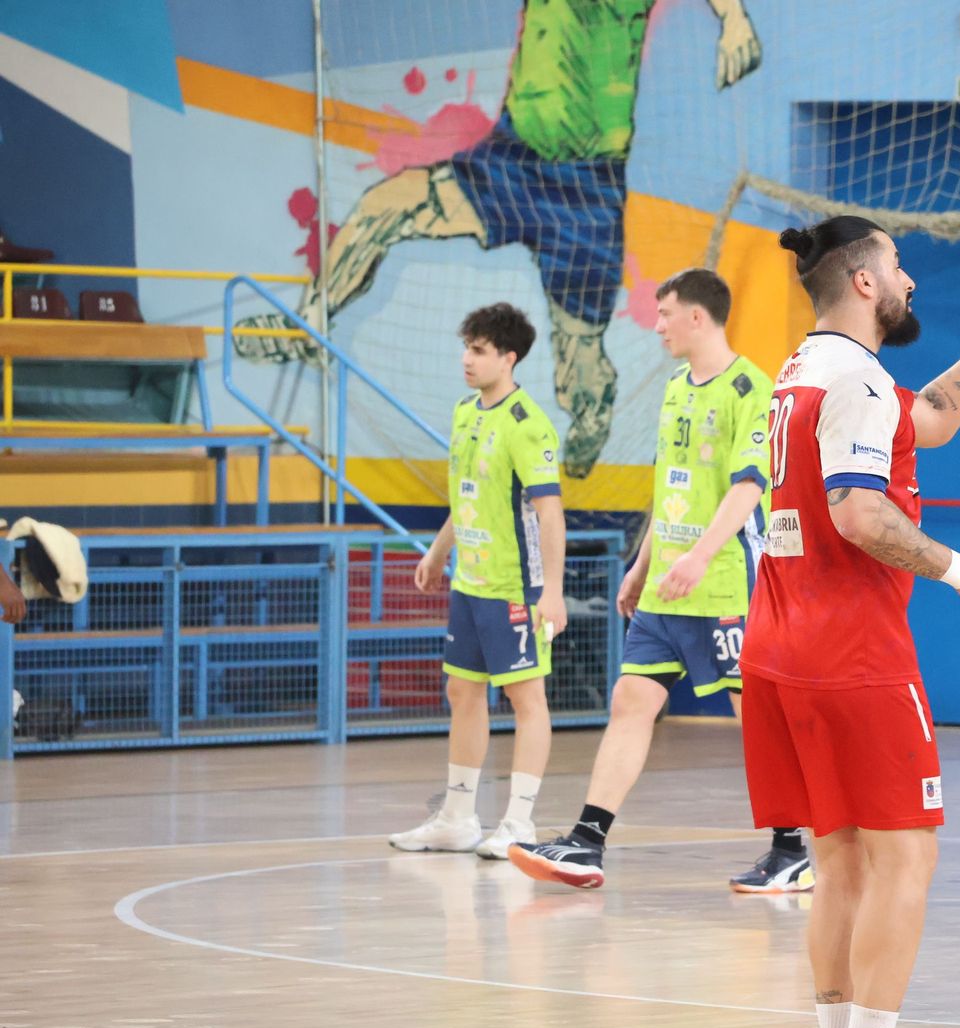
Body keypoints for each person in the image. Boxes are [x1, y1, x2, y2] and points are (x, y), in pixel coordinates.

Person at [739, 217, 960, 1028]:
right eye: (899, 262)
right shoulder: (860, 383)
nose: (910, 277)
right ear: (866, 281)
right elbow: (859, 513)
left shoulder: (804, 369)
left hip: (780, 646)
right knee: (906, 860)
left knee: (840, 862)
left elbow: (936, 418)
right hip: (852, 656)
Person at [236, 0, 762, 478]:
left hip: (586, 192)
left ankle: (589, 418)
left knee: (580, 360)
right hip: (510, 159)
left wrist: (734, 19)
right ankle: (308, 327)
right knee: (384, 205)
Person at [508, 268, 810, 892]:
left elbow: (748, 486)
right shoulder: (676, 387)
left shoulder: (751, 387)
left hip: (724, 583)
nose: (657, 323)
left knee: (753, 715)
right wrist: (643, 566)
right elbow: (668, 488)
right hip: (665, 587)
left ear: (698, 317)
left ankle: (792, 848)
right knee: (631, 701)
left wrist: (699, 557)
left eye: (665, 312)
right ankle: (588, 841)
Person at [389, 302, 569, 859]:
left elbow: (550, 513)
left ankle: (519, 822)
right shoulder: (466, 412)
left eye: (479, 350)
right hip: (469, 582)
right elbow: (465, 493)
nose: (467, 359)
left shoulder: (527, 424)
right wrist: (439, 550)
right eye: (466, 347)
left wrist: (553, 591)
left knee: (525, 696)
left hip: (515, 587)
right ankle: (457, 817)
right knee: (462, 691)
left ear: (508, 359)